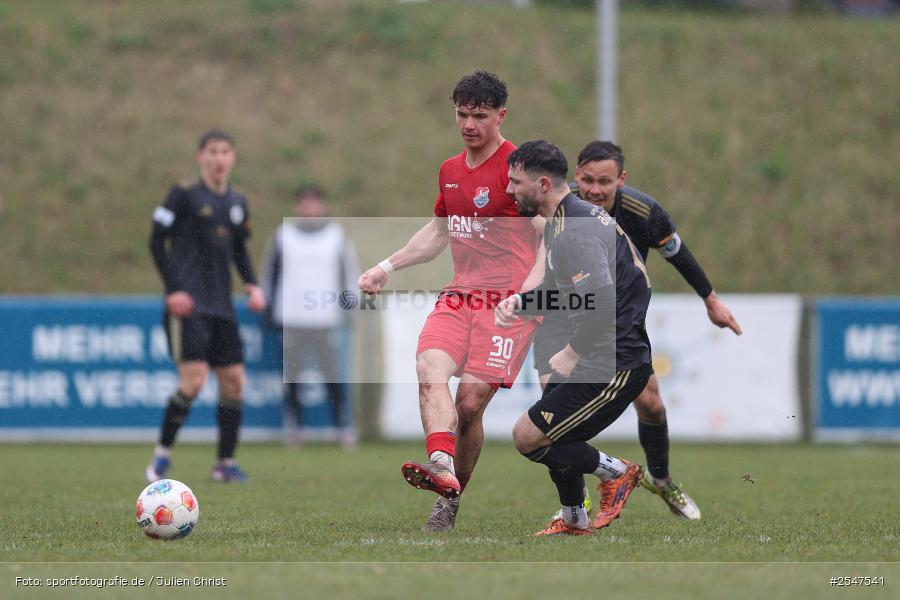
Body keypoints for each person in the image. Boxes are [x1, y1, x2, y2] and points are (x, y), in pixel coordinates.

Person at [358, 71, 544, 532]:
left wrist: (530, 293)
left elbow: (551, 237)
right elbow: (439, 233)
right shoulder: (450, 171)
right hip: (460, 296)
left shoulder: (519, 169)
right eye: (461, 114)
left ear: (501, 115)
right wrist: (386, 265)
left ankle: (451, 496)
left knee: (469, 404)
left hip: (509, 306)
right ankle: (441, 467)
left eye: (479, 116)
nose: (469, 124)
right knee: (428, 369)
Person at [531, 140, 742, 519]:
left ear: (621, 180)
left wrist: (710, 298)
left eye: (605, 182)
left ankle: (662, 482)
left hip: (617, 321)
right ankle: (575, 507)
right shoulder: (561, 209)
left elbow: (677, 254)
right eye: (588, 180)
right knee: (553, 413)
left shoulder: (642, 211)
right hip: (566, 316)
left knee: (650, 402)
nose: (595, 190)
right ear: (576, 175)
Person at [496, 140, 653, 535]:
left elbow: (603, 297)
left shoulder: (572, 231)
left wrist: (573, 350)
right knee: (545, 431)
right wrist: (523, 302)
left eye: (516, 182)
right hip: (605, 351)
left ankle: (617, 473)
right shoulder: (569, 220)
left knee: (528, 437)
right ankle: (574, 518)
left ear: (543, 184)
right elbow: (574, 293)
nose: (509, 190)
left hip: (613, 361)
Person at [145, 129, 266, 484]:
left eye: (225, 151)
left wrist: (252, 284)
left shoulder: (237, 203)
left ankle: (224, 463)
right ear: (201, 157)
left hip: (221, 306)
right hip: (188, 306)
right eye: (212, 151)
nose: (219, 158)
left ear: (232, 158)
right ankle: (161, 457)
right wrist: (174, 289)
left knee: (234, 382)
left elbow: (240, 248)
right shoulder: (182, 195)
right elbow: (155, 241)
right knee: (194, 382)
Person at [260, 184, 359, 447]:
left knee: (333, 377)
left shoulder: (336, 236)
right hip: (291, 318)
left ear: (322, 206)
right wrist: (268, 307)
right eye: (305, 203)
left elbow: (348, 275)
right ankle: (294, 428)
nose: (310, 208)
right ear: (298, 207)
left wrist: (350, 308)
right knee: (292, 377)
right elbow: (270, 273)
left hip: (326, 318)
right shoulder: (283, 235)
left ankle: (342, 427)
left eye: (314, 203)